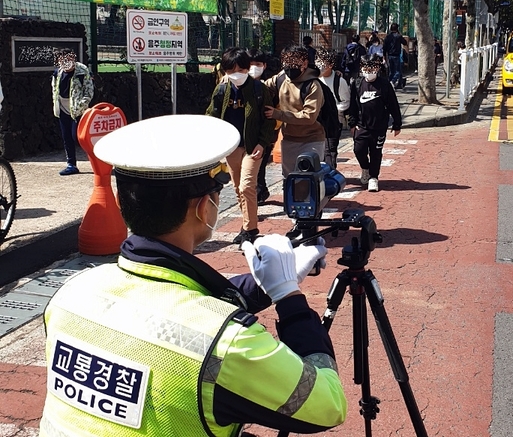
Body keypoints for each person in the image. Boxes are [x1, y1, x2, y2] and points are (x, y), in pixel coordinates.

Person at [39, 114, 347, 436]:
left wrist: (264, 283)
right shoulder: (228, 343)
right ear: (205, 207)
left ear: (122, 202)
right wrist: (288, 298)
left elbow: (172, 303)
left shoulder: (71, 293)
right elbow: (327, 404)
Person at [206, 47, 276, 245]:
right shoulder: (222, 89)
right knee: (238, 188)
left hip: (253, 146)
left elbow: (268, 120)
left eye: (240, 70)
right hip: (232, 147)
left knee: (247, 186)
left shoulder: (259, 89)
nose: (235, 75)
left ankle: (250, 229)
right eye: (230, 71)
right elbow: (212, 114)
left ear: (247, 69)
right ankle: (246, 224)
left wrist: (263, 144)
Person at [263, 44, 326, 178]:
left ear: (305, 63)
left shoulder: (313, 85)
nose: (289, 66)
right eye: (286, 61)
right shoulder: (280, 79)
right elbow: (262, 88)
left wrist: (277, 114)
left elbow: (309, 117)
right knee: (290, 179)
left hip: (312, 140)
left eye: (294, 61)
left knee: (310, 179)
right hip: (289, 139)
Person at [346, 54, 402, 192]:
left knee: (376, 152)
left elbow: (393, 105)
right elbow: (353, 104)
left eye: (372, 68)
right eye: (366, 68)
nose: (369, 72)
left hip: (379, 126)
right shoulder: (357, 83)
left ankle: (373, 177)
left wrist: (397, 123)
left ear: (377, 68)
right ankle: (365, 168)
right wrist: (352, 123)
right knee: (358, 150)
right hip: (361, 125)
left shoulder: (384, 85)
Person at [51, 48, 94, 176]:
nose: (65, 62)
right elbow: (54, 89)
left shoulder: (82, 71)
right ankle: (71, 164)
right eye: (62, 59)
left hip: (78, 110)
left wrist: (82, 105)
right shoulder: (57, 73)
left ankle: (96, 160)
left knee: (79, 137)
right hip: (63, 109)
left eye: (68, 58)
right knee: (67, 137)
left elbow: (89, 91)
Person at [247, 48, 279, 206]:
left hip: (265, 134)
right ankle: (261, 190)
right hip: (245, 135)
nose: (254, 67)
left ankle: (259, 191)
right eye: (250, 64)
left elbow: (274, 111)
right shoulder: (238, 85)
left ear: (264, 65)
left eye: (257, 64)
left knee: (258, 166)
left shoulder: (270, 87)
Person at [315, 47, 351, 169]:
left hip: (334, 121)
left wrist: (332, 110)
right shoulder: (313, 78)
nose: (319, 64)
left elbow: (346, 102)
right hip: (315, 120)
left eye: (322, 62)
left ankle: (330, 174)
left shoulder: (339, 82)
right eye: (317, 60)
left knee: (330, 149)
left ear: (330, 65)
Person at [383, 23, 407, 89]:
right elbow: (405, 42)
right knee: (398, 71)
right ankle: (392, 82)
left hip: (389, 55)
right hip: (396, 55)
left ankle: (388, 84)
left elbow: (384, 47)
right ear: (397, 28)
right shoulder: (398, 36)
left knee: (391, 71)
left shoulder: (388, 37)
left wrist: (384, 56)